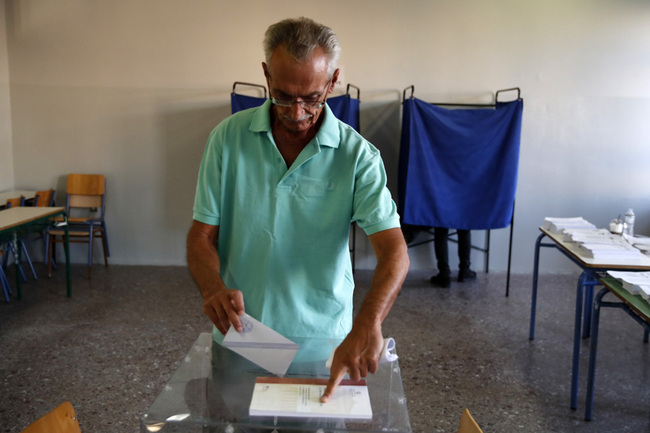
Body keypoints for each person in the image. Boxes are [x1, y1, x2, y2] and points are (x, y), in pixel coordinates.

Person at [186, 17, 409, 404]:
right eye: (284, 96)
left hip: (324, 340)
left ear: (333, 81)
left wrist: (369, 320)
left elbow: (394, 250)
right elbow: (202, 235)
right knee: (236, 423)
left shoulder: (357, 156)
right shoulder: (228, 139)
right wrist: (213, 289)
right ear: (267, 76)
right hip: (246, 334)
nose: (297, 112)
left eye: (312, 97)